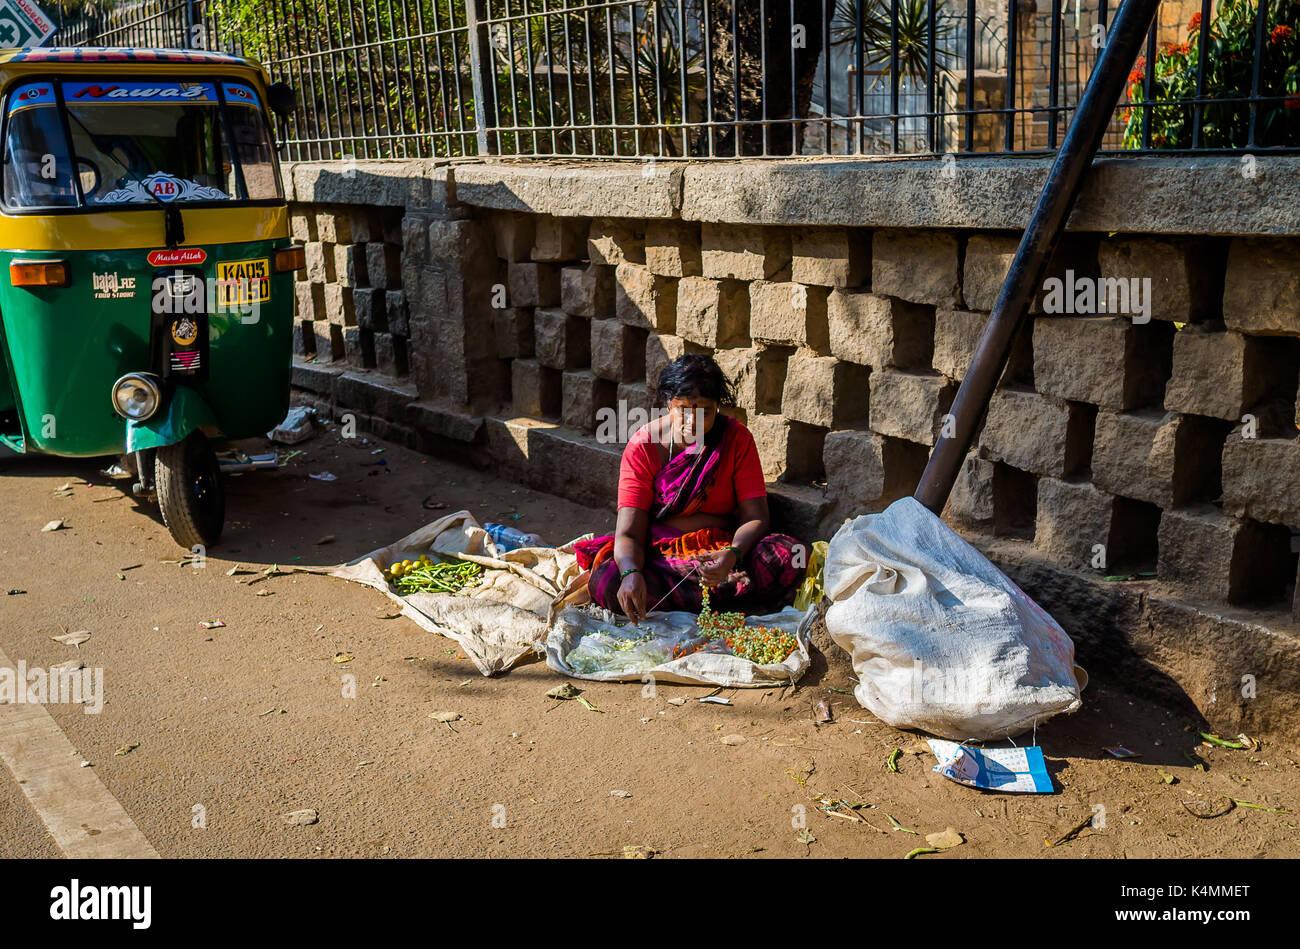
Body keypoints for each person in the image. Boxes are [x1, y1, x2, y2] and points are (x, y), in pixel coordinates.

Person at [575, 354, 805, 621]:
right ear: (668, 404)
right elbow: (628, 533)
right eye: (682, 408)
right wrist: (630, 574)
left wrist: (731, 555)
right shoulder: (644, 447)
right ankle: (729, 601)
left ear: (718, 407)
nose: (692, 421)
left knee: (787, 554)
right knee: (609, 582)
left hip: (723, 552)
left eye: (704, 411)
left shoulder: (737, 439)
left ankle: (706, 598)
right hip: (663, 555)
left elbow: (756, 516)